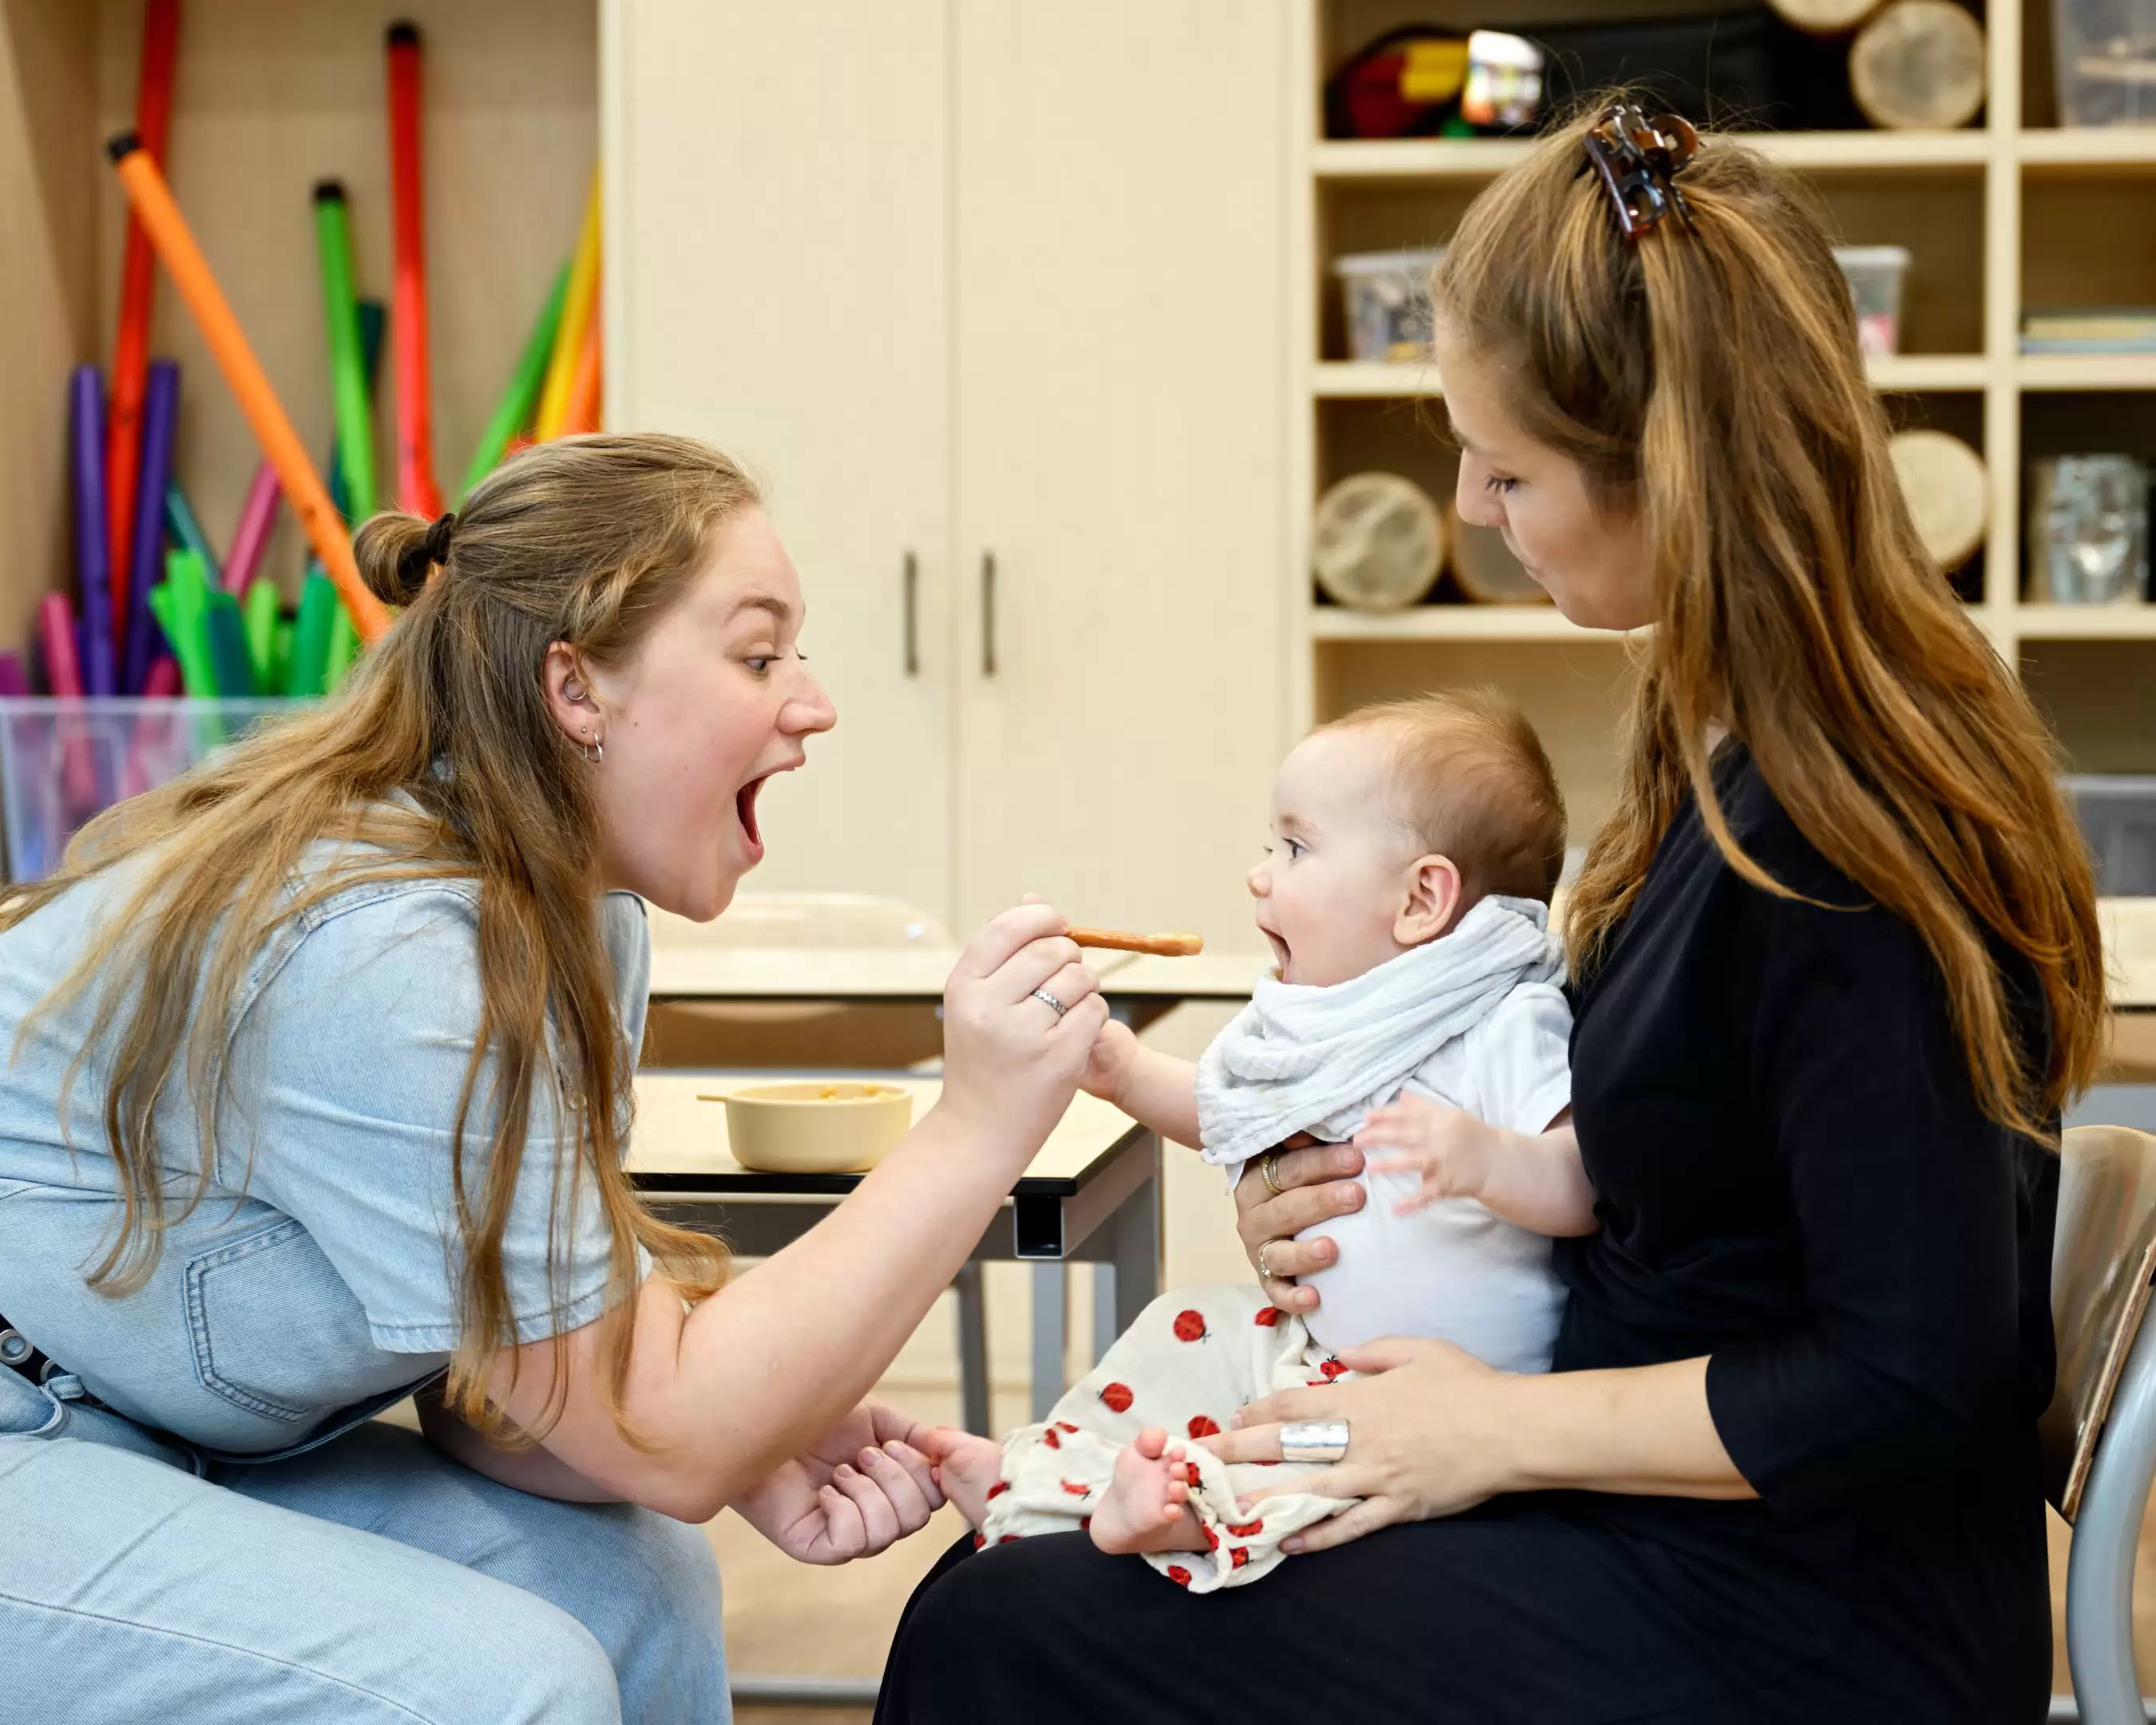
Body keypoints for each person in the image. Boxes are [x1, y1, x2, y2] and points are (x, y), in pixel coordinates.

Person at [876, 100, 2106, 1723]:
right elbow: (1668, 1174)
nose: (1466, 505)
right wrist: (1327, 1188)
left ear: (1666, 465)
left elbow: (1911, 1376)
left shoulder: (1845, 839)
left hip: (1807, 1618)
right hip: (1675, 1520)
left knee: (1000, 1634)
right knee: (1007, 1577)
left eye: (1509, 464)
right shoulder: (1719, 733)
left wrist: (1486, 1434)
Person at [0, 434, 1109, 1724]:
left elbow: (506, 1388)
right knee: (508, 1685)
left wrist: (753, 1416)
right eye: (760, 655)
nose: (813, 702)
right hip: (37, 1429)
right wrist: (976, 1128)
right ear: (575, 691)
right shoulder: (389, 964)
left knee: (639, 1582)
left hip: (151, 1418)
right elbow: (665, 1426)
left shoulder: (579, 920)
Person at [923, 690, 1587, 1591]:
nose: (1260, 874)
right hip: (1313, 1346)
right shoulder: (1345, 1023)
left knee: (1292, 1451)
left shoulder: (1504, 1019)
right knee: (1177, 1328)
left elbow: (1586, 1183)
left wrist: (1489, 1160)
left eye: (1296, 848)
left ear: (1422, 897)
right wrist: (1120, 1069)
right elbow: (1236, 1116)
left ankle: (1170, 1511)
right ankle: (1042, 1471)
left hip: (1428, 1402)